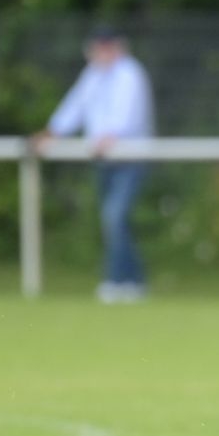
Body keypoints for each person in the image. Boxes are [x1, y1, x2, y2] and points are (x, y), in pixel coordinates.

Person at [32, 28, 156, 302]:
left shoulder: (130, 74)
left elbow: (128, 115)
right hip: (104, 159)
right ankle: (133, 280)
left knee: (115, 217)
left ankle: (117, 280)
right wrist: (53, 131)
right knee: (113, 221)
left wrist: (111, 136)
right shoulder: (93, 74)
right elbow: (75, 105)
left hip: (130, 158)